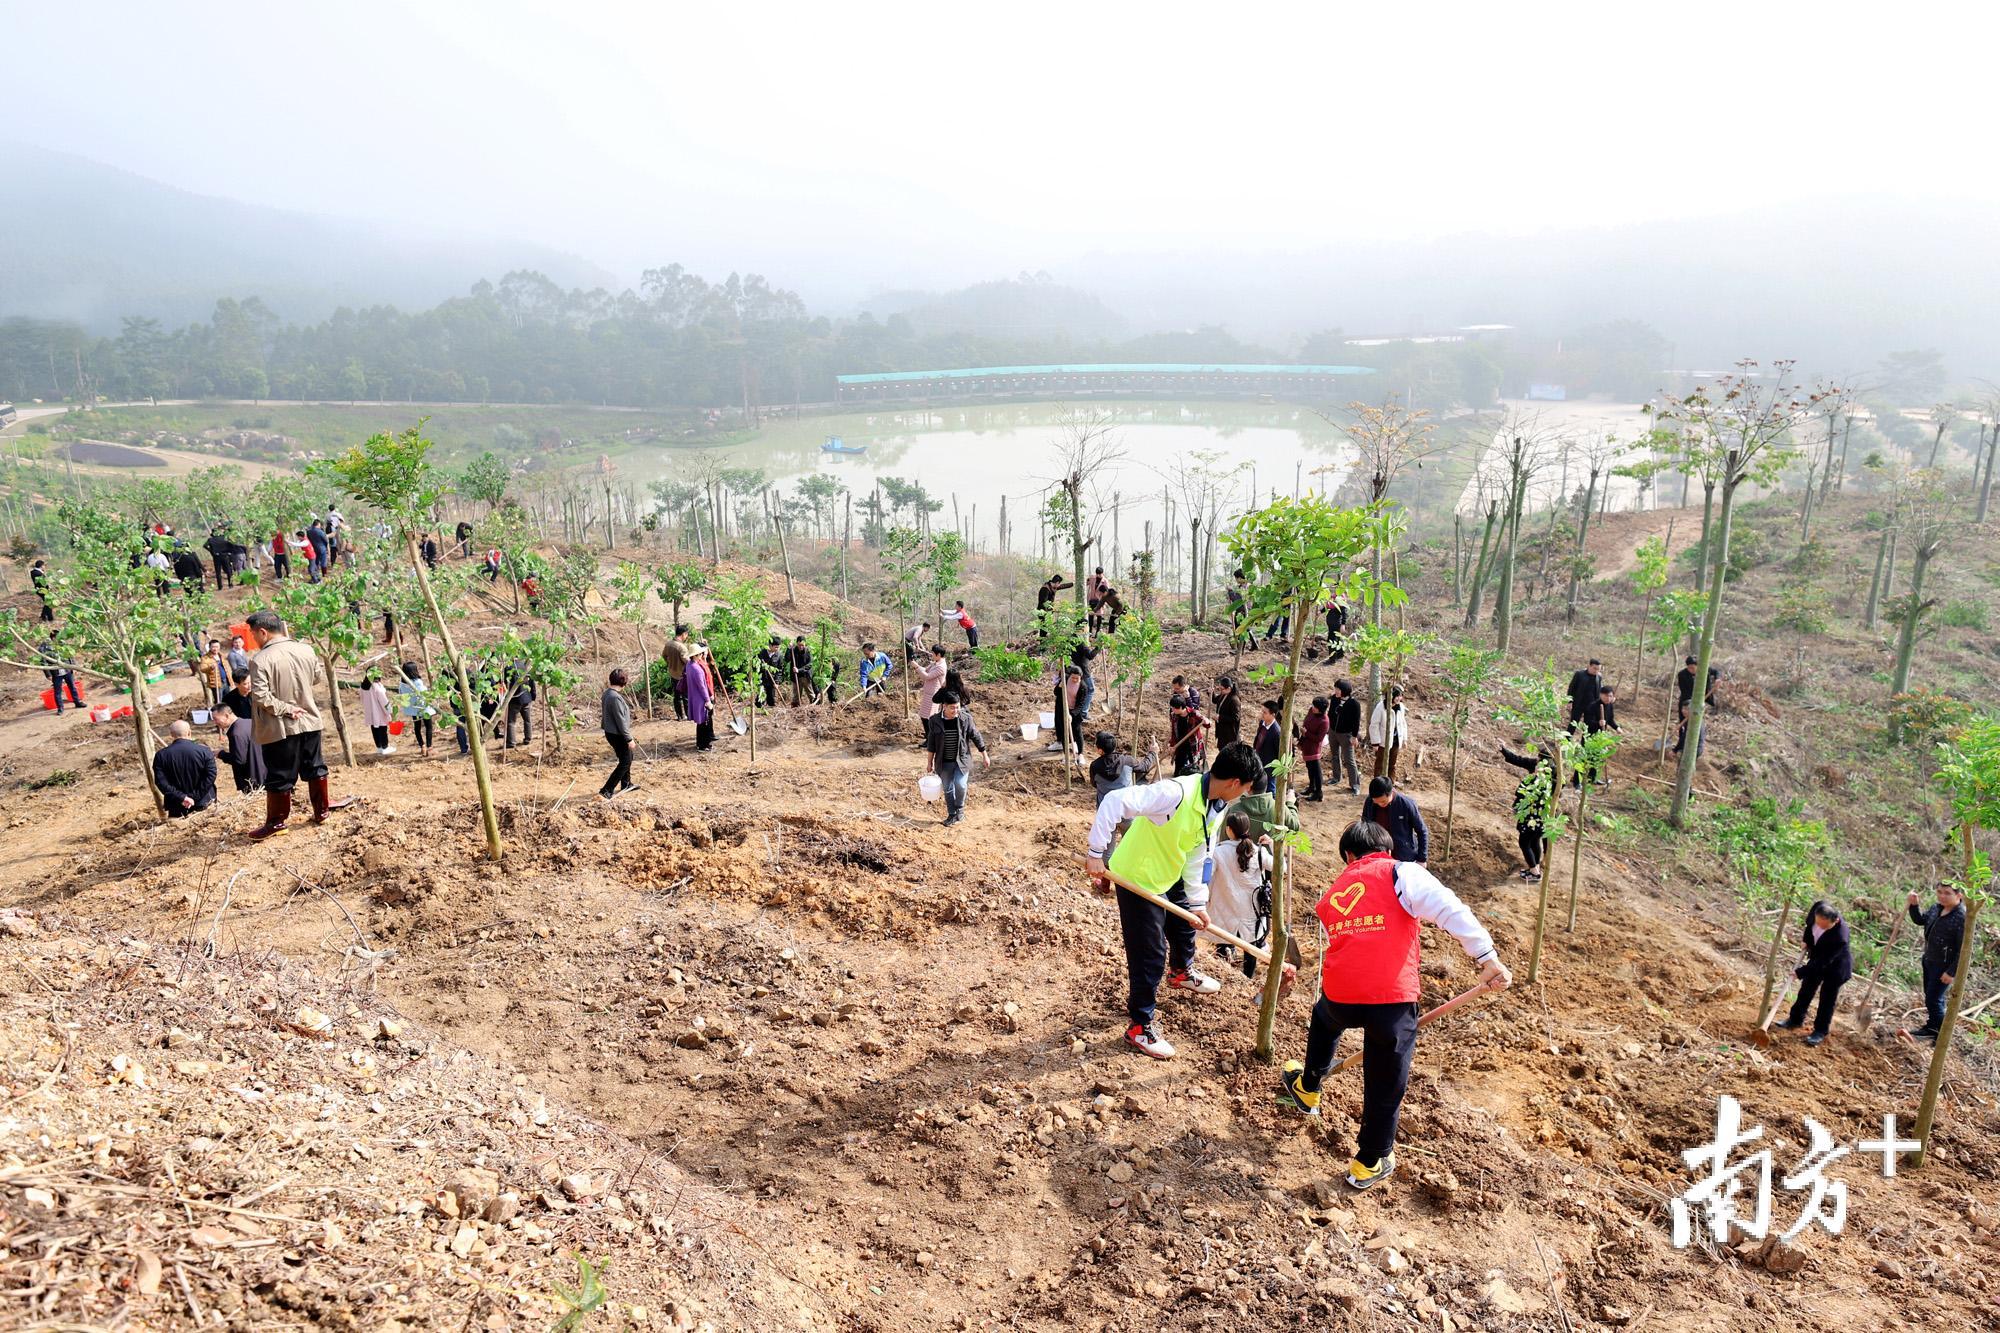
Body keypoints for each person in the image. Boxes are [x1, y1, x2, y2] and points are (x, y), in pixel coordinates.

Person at [1278, 820, 1510, 1191]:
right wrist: (1486, 957)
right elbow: (1449, 908)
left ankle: (1308, 1086)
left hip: (1341, 994)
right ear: (1386, 850)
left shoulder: (1333, 894)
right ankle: (1370, 1160)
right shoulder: (1402, 872)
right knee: (1386, 1075)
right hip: (1390, 998)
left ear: (1348, 856)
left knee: (1323, 1020)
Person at [1086, 743, 1262, 1060]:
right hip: (1137, 876)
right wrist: (1097, 853)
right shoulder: (1175, 793)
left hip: (1169, 871)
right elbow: (1114, 800)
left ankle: (1181, 971)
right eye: (1246, 788)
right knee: (1150, 955)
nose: (1243, 794)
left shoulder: (1216, 805)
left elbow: (1199, 852)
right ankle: (1139, 1026)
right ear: (1235, 782)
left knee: (1184, 926)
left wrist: (1198, 902)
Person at [244, 610, 356, 837]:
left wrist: (286, 708)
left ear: (263, 632)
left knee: (280, 774)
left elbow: (262, 697)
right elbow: (316, 678)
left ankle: (276, 823)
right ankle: (321, 811)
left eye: (254, 634)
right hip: (310, 719)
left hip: (281, 727)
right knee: (315, 766)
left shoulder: (260, 660)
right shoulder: (306, 649)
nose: (254, 639)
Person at [1774, 901, 1853, 1046]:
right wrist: (1807, 940)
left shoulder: (1840, 937)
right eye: (1818, 923)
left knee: (1827, 999)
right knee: (1806, 990)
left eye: (1824, 926)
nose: (1820, 927)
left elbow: (1824, 962)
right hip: (1818, 957)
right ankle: (1795, 1019)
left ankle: (1820, 1031)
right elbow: (1809, 924)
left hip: (1835, 967)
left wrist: (1800, 972)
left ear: (1835, 921)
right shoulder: (1818, 908)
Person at [1208, 812, 1274, 979]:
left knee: (1222, 941)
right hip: (1251, 911)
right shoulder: (1258, 852)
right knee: (1251, 947)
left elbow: (1206, 878)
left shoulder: (1218, 852)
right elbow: (1281, 867)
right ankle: (1247, 979)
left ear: (1229, 830)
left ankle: (1222, 978)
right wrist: (1273, 845)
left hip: (1225, 907)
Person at [1908, 881, 1967, 1040]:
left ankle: (1939, 1034)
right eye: (1940, 892)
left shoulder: (1962, 918)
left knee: (1934, 999)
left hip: (1944, 965)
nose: (1942, 896)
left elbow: (1964, 949)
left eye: (1947, 893)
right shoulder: (1936, 908)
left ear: (1958, 896)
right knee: (1930, 996)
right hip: (1929, 959)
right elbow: (1921, 920)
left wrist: (1951, 972)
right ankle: (1932, 1027)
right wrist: (1914, 906)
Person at [924, 689, 990, 826]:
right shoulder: (934, 720)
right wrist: (929, 762)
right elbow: (931, 743)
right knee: (948, 788)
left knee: (960, 784)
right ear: (944, 706)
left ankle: (960, 808)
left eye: (957, 707)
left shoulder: (965, 719)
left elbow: (976, 736)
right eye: (952, 708)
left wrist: (985, 754)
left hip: (962, 760)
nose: (956, 710)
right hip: (943, 762)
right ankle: (952, 814)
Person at [1499, 744, 1550, 880]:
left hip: (1533, 815)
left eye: (1540, 760)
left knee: (1524, 842)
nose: (1537, 763)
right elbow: (1518, 760)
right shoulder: (1537, 767)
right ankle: (1536, 868)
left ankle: (1534, 872)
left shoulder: (1545, 779)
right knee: (1534, 841)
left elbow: (1521, 793)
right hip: (1539, 816)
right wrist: (1504, 750)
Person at [152, 719, 218, 817]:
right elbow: (210, 776)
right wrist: (194, 797)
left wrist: (183, 797)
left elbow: (161, 782)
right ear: (189, 732)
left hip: (177, 805)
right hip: (204, 802)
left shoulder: (161, 755)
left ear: (171, 734)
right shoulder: (205, 751)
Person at [1360, 776, 1428, 863]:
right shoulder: (1369, 802)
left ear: (1391, 792)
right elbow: (1365, 826)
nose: (1380, 804)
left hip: (1403, 856)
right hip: (1379, 856)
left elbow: (1422, 831)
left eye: (1383, 802)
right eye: (1377, 802)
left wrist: (1422, 859)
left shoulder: (1406, 804)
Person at [1089, 731, 1157, 805]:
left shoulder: (1094, 766)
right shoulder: (1127, 761)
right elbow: (1144, 767)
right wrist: (1152, 753)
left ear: (1100, 750)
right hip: (1126, 807)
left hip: (1105, 809)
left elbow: (1094, 784)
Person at [600, 669, 637, 799]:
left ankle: (626, 784)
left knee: (627, 758)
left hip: (612, 732)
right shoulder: (615, 697)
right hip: (617, 734)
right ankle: (607, 789)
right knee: (625, 762)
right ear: (623, 683)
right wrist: (629, 739)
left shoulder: (607, 693)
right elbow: (620, 720)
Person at [212, 707, 266, 793]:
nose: (214, 723)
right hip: (264, 773)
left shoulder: (236, 733)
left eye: (215, 719)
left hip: (252, 781)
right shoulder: (249, 722)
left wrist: (221, 754)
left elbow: (239, 759)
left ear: (226, 716)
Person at [1369, 684, 1409, 781]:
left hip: (1395, 740)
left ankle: (1390, 785)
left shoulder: (1401, 707)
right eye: (1396, 696)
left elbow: (1403, 723)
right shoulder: (1381, 707)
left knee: (1392, 764)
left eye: (1400, 696)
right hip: (1383, 742)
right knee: (1380, 764)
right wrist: (1375, 742)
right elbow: (1374, 725)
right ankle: (1378, 786)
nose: (1399, 698)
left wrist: (1404, 739)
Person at [1330, 679, 1363, 795]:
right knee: (1334, 756)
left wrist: (1354, 736)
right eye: (1335, 689)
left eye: (1338, 689)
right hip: (1333, 732)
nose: (1336, 691)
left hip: (1346, 735)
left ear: (1344, 691)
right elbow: (1330, 713)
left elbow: (1356, 722)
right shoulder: (1334, 699)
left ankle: (1355, 784)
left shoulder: (1354, 704)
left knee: (1349, 760)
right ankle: (1336, 777)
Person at [398, 661, 436, 757]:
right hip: (423, 707)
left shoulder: (402, 683)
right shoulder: (417, 682)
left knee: (417, 727)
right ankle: (429, 748)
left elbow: (401, 694)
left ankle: (422, 746)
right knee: (428, 727)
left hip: (413, 709)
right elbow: (424, 692)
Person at [38, 635, 82, 713]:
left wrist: (73, 666)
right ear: (52, 638)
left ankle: (77, 702)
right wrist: (48, 674)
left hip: (67, 670)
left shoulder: (62, 644)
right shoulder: (45, 647)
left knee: (72, 687)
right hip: (56, 673)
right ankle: (60, 708)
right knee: (57, 691)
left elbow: (70, 655)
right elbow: (43, 662)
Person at [1168, 693, 1208, 777]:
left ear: (1180, 707)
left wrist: (1206, 721)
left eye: (1173, 708)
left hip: (1192, 744)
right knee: (1178, 767)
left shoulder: (1194, 714)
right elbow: (1173, 733)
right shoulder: (1174, 716)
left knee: (1194, 767)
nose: (1172, 709)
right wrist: (1172, 745)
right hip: (1180, 744)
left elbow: (1207, 725)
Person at [1300, 696, 1331, 802]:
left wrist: (1306, 733)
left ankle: (1318, 792)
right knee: (1309, 768)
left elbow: (1319, 738)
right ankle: (1311, 787)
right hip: (1306, 745)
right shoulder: (1311, 711)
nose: (1313, 707)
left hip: (1314, 749)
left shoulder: (1324, 721)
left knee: (1316, 771)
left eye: (1315, 707)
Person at [686, 644, 715, 751]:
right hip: (700, 698)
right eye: (699, 654)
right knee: (703, 722)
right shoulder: (696, 669)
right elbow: (702, 687)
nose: (701, 655)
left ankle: (701, 743)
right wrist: (708, 700)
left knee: (701, 722)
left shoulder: (689, 665)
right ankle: (703, 745)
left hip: (694, 696)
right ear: (695, 655)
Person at [1054, 664, 1086, 761]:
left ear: (1081, 677)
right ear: (1070, 675)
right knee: (1064, 732)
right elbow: (1056, 693)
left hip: (1075, 712)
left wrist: (1071, 715)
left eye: (1077, 678)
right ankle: (1066, 754)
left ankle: (1080, 754)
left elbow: (1080, 704)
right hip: (1062, 709)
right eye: (1073, 678)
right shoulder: (1065, 679)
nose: (1075, 680)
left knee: (1077, 731)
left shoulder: (1083, 687)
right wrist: (1059, 687)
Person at [361, 671, 396, 755]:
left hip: (370, 711)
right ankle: (385, 747)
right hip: (379, 712)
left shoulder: (364, 686)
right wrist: (390, 711)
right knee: (382, 729)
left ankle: (379, 747)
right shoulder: (377, 687)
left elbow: (362, 699)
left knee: (374, 728)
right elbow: (384, 701)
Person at [503, 659, 536, 749]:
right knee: (527, 720)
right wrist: (533, 696)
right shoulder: (526, 665)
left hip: (514, 699)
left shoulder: (508, 668)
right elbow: (532, 683)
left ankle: (511, 742)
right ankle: (528, 739)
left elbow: (504, 683)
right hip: (526, 698)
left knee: (511, 722)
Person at [1252, 700, 1283, 791]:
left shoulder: (1276, 732)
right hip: (1259, 761)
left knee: (1270, 788)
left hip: (1270, 767)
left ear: (1273, 715)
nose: (1262, 714)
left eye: (1265, 713)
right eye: (1262, 711)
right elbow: (1258, 738)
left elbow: (1279, 752)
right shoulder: (1262, 723)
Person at [1567, 659, 1603, 733]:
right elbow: (1571, 688)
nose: (1596, 671)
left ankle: (1584, 744)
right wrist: (1570, 701)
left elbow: (1600, 691)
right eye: (1594, 668)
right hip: (1578, 704)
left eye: (1598, 669)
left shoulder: (1599, 677)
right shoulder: (1579, 674)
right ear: (1589, 666)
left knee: (1588, 727)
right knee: (1573, 724)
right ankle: (1567, 741)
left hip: (1591, 706)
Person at [916, 646, 948, 725]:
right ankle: (929, 735)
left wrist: (916, 667)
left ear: (939, 655)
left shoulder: (941, 667)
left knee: (929, 717)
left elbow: (927, 676)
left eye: (933, 653)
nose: (931, 655)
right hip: (928, 693)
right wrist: (915, 664)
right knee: (924, 716)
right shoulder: (935, 663)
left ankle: (930, 735)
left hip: (933, 694)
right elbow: (925, 670)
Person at [662, 628, 690, 719]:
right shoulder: (682, 647)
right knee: (686, 696)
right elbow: (687, 661)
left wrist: (669, 663)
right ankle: (688, 715)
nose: (687, 637)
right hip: (682, 675)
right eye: (686, 635)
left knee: (677, 696)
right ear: (683, 634)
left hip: (673, 673)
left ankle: (680, 716)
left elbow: (664, 655)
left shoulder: (668, 644)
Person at [1213, 677, 1242, 749]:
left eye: (1222, 689)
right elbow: (1215, 700)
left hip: (1229, 734)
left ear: (1229, 688)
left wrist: (1220, 717)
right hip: (1222, 731)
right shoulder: (1223, 695)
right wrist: (1211, 693)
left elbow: (1236, 718)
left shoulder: (1234, 700)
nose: (1220, 691)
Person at [788, 635, 815, 706]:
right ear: (797, 643)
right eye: (799, 645)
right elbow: (787, 659)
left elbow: (810, 664)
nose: (801, 647)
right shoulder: (793, 650)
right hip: (795, 676)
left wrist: (799, 670)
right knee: (796, 695)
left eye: (802, 645)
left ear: (805, 644)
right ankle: (795, 709)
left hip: (805, 675)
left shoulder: (808, 651)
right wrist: (789, 649)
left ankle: (814, 706)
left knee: (810, 693)